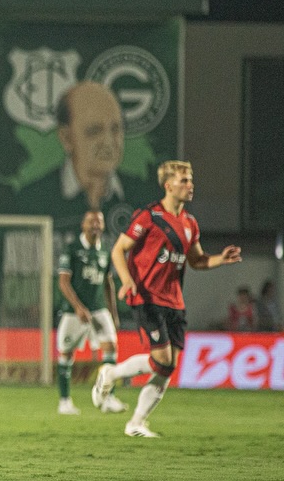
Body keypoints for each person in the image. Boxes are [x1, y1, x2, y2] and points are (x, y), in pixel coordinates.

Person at [93, 160, 241, 437]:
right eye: (184, 180)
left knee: (167, 367)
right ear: (168, 185)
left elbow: (196, 261)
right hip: (147, 297)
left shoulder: (189, 223)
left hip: (175, 302)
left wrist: (220, 258)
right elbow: (118, 250)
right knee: (161, 359)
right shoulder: (150, 216)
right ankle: (110, 374)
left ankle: (136, 422)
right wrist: (127, 280)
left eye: (191, 179)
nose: (190, 185)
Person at [54, 211, 122, 415]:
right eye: (91, 222)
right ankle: (64, 402)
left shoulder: (105, 251)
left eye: (99, 222)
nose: (96, 225)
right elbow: (63, 282)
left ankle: (108, 397)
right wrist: (77, 307)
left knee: (110, 348)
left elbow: (108, 283)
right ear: (83, 225)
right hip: (73, 313)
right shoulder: (72, 249)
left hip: (98, 311)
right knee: (66, 353)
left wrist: (113, 312)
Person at [56, 81, 126, 212]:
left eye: (115, 129)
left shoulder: (146, 198)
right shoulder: (31, 199)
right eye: (95, 131)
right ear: (66, 137)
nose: (108, 142)